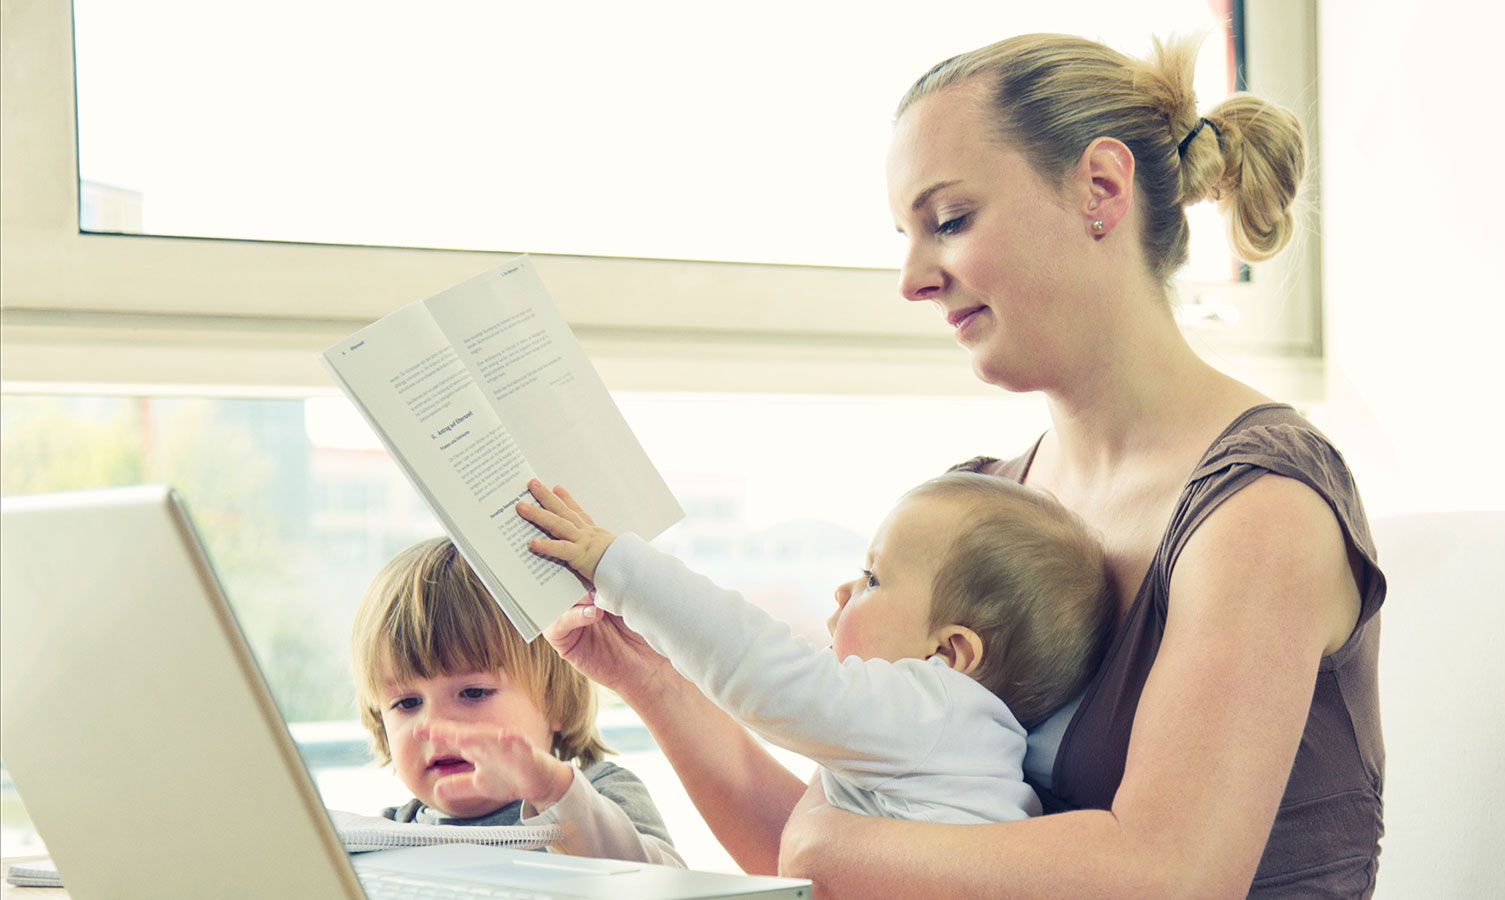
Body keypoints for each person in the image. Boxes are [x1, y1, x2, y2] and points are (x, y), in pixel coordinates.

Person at [541, 31, 1386, 900]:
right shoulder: (989, 504)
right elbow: (886, 851)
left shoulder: (1261, 509)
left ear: (1101, 188)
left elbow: (1169, 876)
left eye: (948, 221)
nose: (912, 278)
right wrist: (649, 678)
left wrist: (826, 850)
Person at [516, 471, 1113, 826]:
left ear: (950, 655)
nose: (845, 588)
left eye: (874, 580)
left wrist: (617, 566)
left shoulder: (934, 711)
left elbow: (759, 668)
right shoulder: (954, 744)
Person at [348, 536, 684, 866]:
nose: (434, 727)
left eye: (473, 693)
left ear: (555, 702)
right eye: (407, 703)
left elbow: (669, 887)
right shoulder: (387, 834)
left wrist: (555, 794)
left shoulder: (601, 794)